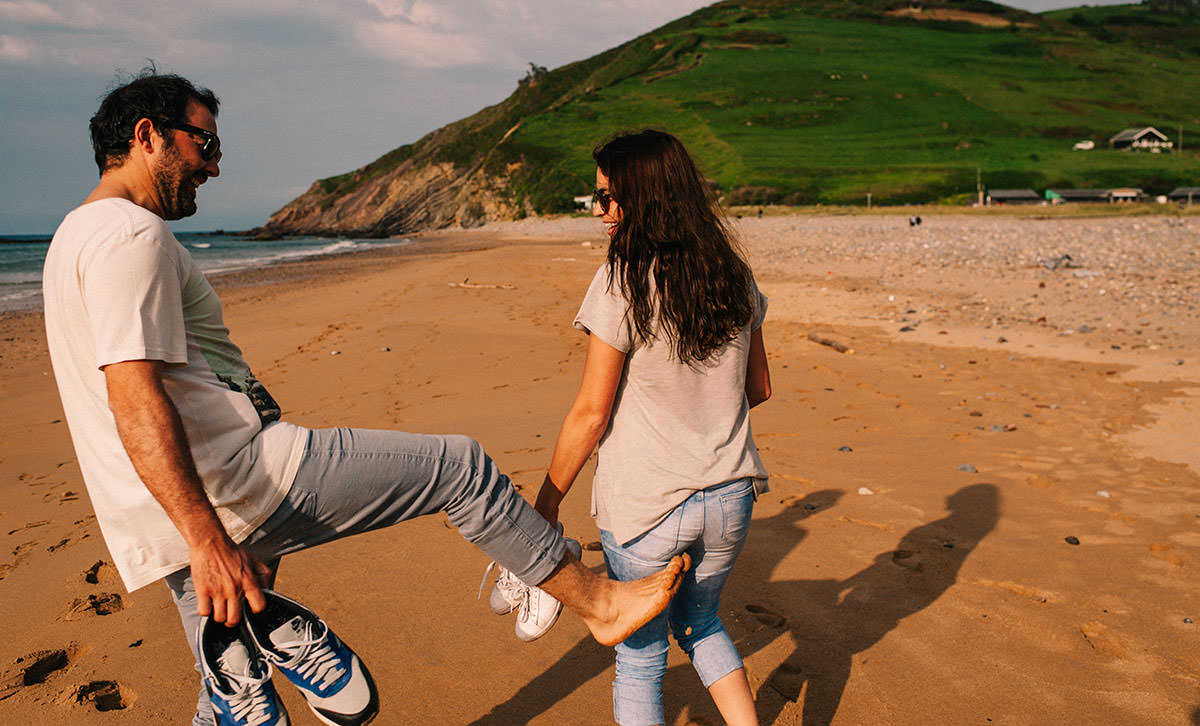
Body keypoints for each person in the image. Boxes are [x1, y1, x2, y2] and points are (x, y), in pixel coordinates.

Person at [42, 71, 686, 726]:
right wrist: (207, 536)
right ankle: (601, 606)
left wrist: (190, 531)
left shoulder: (73, 236)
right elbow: (132, 396)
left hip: (159, 509)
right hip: (236, 484)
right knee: (458, 469)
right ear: (146, 135)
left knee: (231, 695)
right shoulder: (130, 238)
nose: (214, 165)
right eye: (203, 144)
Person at [531, 130, 771, 726]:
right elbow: (759, 388)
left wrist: (547, 501)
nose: (600, 211)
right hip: (730, 493)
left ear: (646, 197)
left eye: (609, 198)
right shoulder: (734, 275)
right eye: (597, 198)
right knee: (702, 622)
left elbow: (592, 413)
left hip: (648, 505)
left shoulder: (622, 280)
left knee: (639, 655)